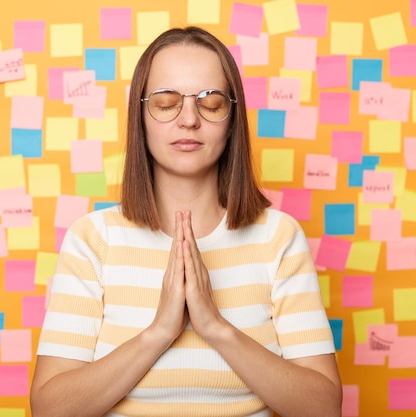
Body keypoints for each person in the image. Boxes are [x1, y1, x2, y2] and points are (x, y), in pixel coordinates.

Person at [30, 26, 342, 417]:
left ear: (232, 120)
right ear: (140, 118)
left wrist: (214, 325)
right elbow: (48, 409)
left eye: (210, 103)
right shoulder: (92, 239)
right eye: (166, 102)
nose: (189, 119)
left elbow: (325, 408)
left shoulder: (278, 238)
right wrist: (159, 332)